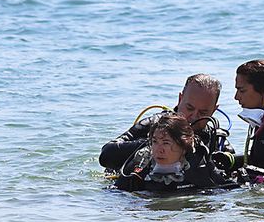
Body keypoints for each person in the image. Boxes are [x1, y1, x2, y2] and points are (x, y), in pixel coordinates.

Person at [99, 73, 231, 174]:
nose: (194, 116)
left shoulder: (215, 138)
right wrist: (157, 142)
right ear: (180, 99)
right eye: (189, 108)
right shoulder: (155, 124)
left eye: (203, 112)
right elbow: (106, 155)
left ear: (214, 110)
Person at [113, 113, 237, 194]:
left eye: (166, 143)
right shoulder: (141, 162)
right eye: (155, 142)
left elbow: (226, 189)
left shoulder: (199, 164)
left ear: (184, 146)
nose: (159, 149)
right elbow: (115, 193)